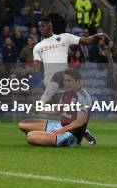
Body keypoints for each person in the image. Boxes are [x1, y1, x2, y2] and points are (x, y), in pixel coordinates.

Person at [33, 17, 108, 145]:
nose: (41, 29)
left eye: (44, 26)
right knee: (64, 112)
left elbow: (85, 40)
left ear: (50, 25)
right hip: (49, 83)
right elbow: (36, 67)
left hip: (64, 80)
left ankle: (75, 132)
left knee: (68, 109)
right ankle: (82, 132)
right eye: (39, 27)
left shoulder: (64, 37)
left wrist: (96, 36)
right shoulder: (38, 47)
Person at [18, 70, 92, 147]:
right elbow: (55, 111)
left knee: (31, 137)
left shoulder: (83, 98)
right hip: (62, 125)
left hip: (71, 133)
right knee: (23, 124)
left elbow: (79, 122)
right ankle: (84, 132)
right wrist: (36, 109)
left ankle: (73, 142)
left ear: (78, 82)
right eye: (65, 80)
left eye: (69, 81)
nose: (66, 83)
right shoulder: (66, 93)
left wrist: (61, 131)